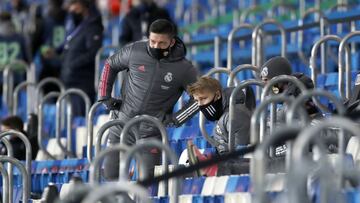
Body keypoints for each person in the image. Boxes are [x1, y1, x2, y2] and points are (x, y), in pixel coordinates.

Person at [98, 19, 198, 180]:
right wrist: (104, 96)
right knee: (110, 177)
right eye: (152, 41)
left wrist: (177, 119)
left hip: (151, 132)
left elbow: (200, 98)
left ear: (172, 42)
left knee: (147, 183)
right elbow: (110, 64)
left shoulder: (184, 68)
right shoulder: (135, 51)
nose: (156, 46)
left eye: (162, 43)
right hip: (121, 124)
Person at [187, 76, 252, 175]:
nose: (200, 105)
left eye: (203, 98)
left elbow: (241, 155)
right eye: (197, 101)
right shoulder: (223, 114)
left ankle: (210, 168)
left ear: (217, 95)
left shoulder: (235, 115)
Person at [60, 0, 103, 116]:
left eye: (74, 5)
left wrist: (73, 65)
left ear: (83, 5)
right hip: (71, 81)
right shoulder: (77, 25)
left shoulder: (93, 26)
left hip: (82, 83)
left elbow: (93, 52)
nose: (71, 9)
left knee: (79, 123)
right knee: (72, 122)